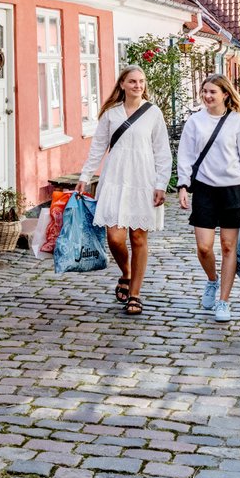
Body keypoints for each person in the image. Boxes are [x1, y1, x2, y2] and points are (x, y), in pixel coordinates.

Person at [76, 66, 171, 316]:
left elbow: (162, 151)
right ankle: (126, 273)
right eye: (132, 81)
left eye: (141, 81)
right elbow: (98, 147)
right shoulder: (111, 113)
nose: (138, 85)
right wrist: (85, 176)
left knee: (138, 238)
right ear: (122, 84)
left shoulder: (153, 113)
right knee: (115, 238)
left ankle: (135, 294)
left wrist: (161, 184)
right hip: (115, 179)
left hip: (143, 180)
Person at [177, 73, 240, 323]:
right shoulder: (195, 122)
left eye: (213, 91)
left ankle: (223, 301)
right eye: (205, 91)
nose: (207, 96)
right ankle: (212, 280)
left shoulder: (238, 123)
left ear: (225, 94)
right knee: (204, 247)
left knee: (227, 246)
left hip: (233, 190)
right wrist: (183, 185)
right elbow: (185, 156)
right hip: (204, 190)